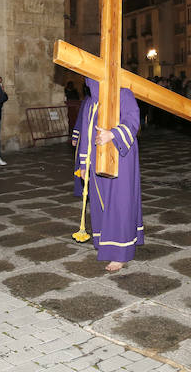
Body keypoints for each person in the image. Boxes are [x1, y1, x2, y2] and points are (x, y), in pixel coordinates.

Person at [71, 77, 144, 272]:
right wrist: (84, 163)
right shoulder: (90, 103)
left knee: (120, 203)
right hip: (96, 158)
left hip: (122, 156)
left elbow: (132, 120)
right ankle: (107, 243)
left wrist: (113, 134)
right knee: (101, 201)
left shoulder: (123, 93)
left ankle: (120, 253)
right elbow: (87, 135)